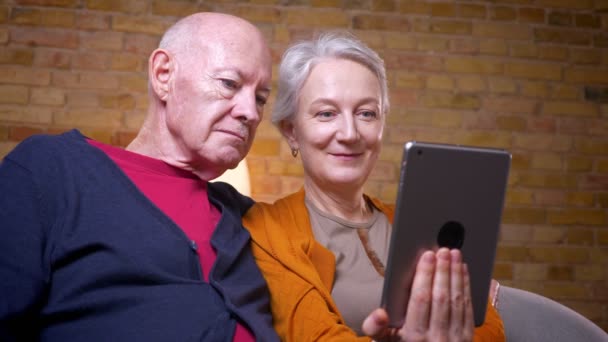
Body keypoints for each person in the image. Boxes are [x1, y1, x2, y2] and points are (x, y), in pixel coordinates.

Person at [0, 13, 280, 341]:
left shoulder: (252, 221)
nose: (250, 111)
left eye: (260, 98)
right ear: (164, 74)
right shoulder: (53, 171)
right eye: (229, 84)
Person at [243, 32, 505, 341]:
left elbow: (489, 329)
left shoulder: (423, 226)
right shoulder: (267, 231)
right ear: (292, 132)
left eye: (366, 113)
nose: (350, 133)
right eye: (326, 114)